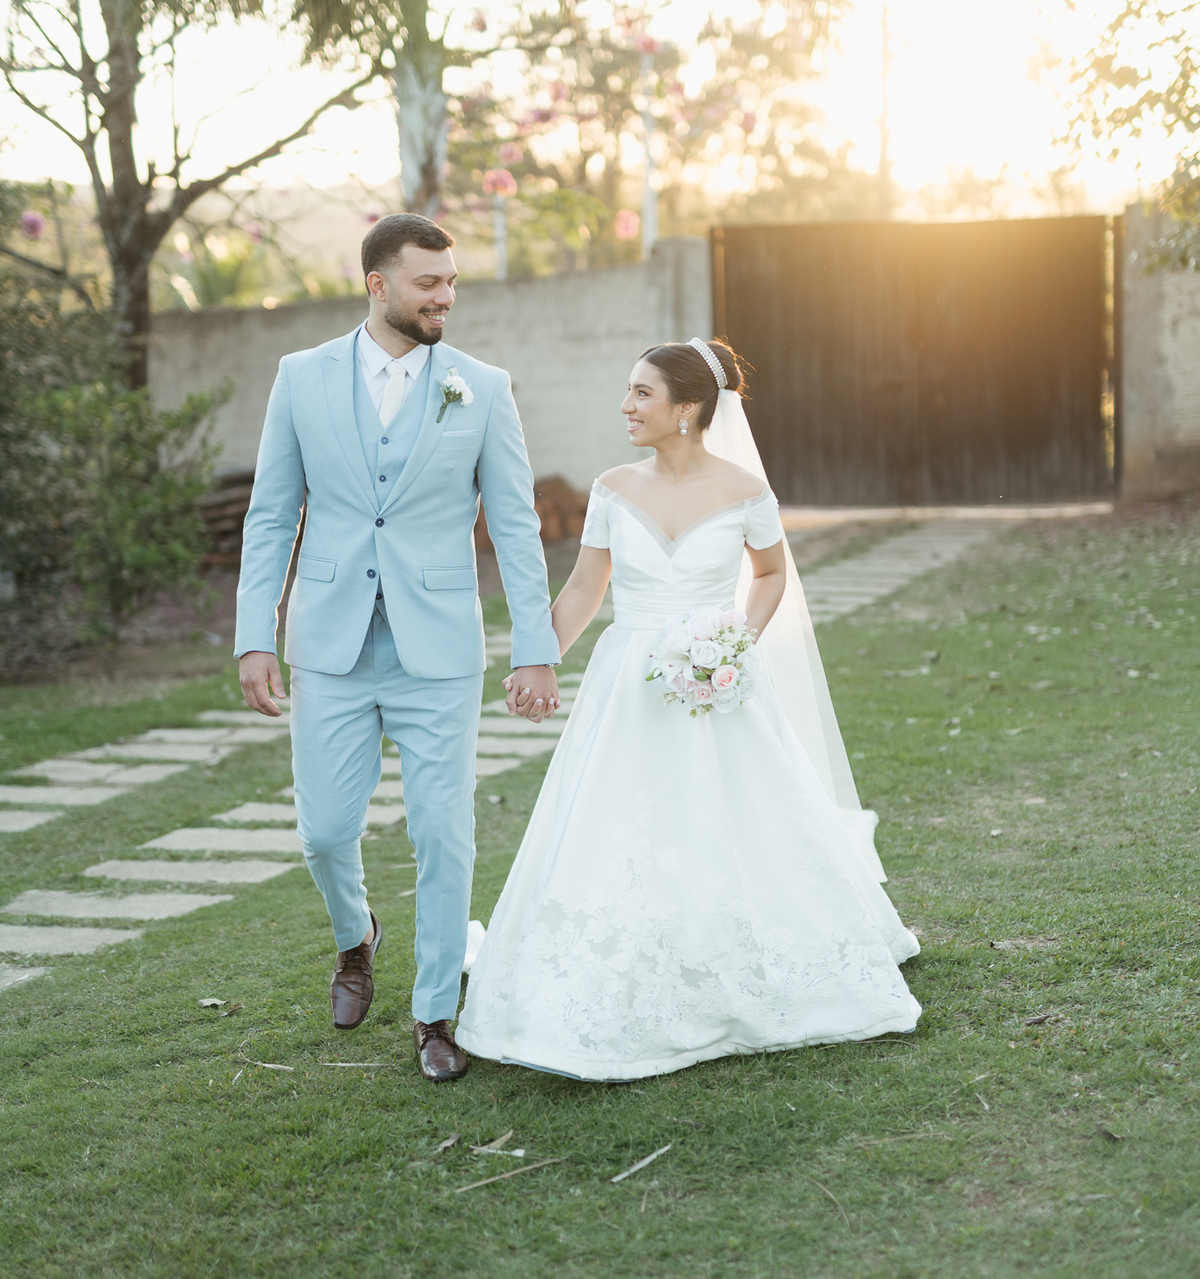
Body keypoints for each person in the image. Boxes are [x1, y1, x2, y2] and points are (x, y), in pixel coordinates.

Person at [456, 338, 921, 1081]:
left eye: (642, 392)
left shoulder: (745, 490)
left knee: (736, 814)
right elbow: (586, 588)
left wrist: (732, 642)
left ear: (689, 408)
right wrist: (538, 658)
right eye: (629, 390)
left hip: (717, 680)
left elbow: (770, 575)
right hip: (630, 685)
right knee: (621, 820)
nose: (625, 405)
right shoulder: (612, 488)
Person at [234, 213, 560, 1082]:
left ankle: (434, 1012)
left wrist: (535, 646)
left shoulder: (481, 387)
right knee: (324, 831)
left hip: (439, 647)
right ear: (378, 284)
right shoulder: (300, 377)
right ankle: (357, 937)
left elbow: (516, 525)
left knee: (444, 833)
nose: (445, 296)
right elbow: (271, 514)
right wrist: (255, 632)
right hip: (329, 643)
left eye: (451, 282)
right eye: (428, 283)